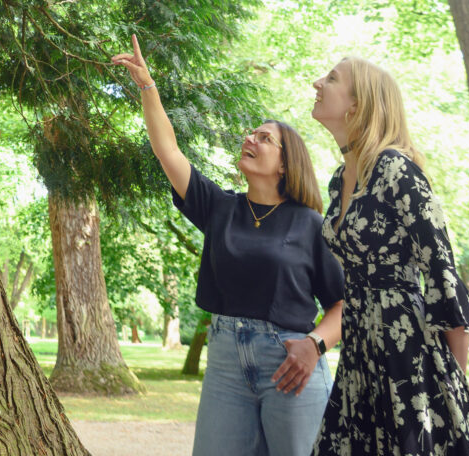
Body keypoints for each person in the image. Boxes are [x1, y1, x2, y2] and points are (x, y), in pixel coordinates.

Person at [112, 35, 345, 456]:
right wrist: (147, 85)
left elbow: (344, 304)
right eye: (251, 134)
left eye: (264, 138)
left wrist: (315, 345)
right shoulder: (220, 207)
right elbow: (168, 152)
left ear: (286, 163)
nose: (250, 139)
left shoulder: (312, 223)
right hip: (224, 365)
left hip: (290, 365)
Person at [308, 56, 469, 456]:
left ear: (357, 104)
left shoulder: (397, 169)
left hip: (408, 357)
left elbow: (442, 275)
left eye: (331, 78)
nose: (317, 83)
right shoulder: (340, 180)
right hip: (359, 358)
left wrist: (453, 393)